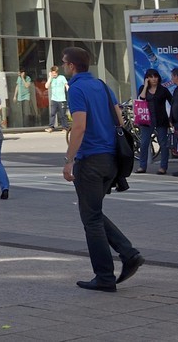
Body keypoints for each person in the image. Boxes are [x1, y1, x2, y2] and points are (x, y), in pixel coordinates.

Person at [61, 46, 143, 291]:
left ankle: (105, 276)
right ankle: (128, 253)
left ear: (72, 66)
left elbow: (79, 126)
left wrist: (68, 159)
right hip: (111, 159)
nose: (64, 66)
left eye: (65, 62)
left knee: (91, 220)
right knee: (93, 212)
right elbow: (119, 119)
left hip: (91, 161)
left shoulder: (76, 89)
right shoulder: (101, 85)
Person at [134, 68, 173, 175]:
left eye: (155, 77)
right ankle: (142, 166)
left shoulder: (163, 90)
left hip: (161, 119)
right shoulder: (143, 88)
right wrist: (146, 86)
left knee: (163, 143)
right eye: (151, 77)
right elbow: (141, 99)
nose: (154, 79)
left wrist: (171, 118)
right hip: (146, 119)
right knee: (144, 143)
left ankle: (163, 167)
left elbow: (172, 102)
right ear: (147, 78)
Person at [48, 65, 70, 131]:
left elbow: (66, 85)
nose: (54, 75)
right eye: (52, 73)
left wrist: (69, 91)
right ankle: (51, 127)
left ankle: (65, 127)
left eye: (54, 73)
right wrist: (50, 77)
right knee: (52, 113)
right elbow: (46, 86)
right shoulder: (51, 79)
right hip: (54, 99)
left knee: (62, 114)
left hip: (61, 99)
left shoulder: (62, 78)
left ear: (57, 72)